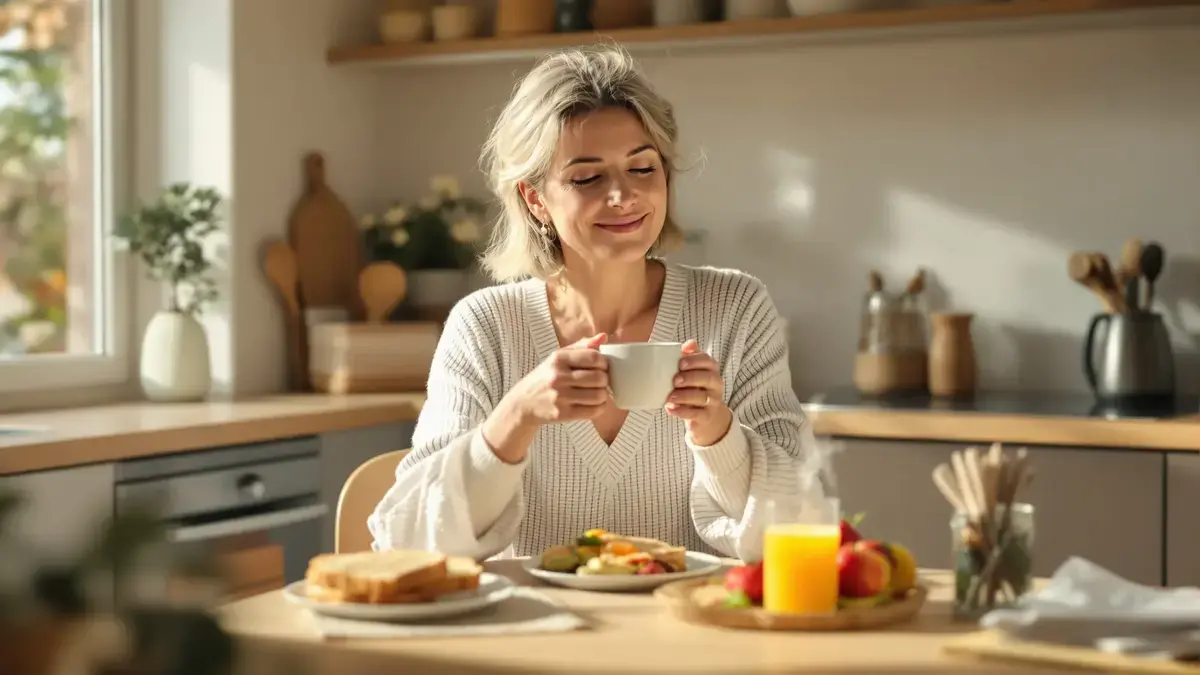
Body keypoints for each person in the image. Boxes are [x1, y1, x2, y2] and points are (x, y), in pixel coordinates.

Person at [368, 46, 824, 563]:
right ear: (535, 198)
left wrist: (718, 432)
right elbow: (404, 542)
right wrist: (516, 416)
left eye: (643, 168)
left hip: (696, 633)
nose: (624, 196)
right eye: (588, 177)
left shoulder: (735, 308)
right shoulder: (485, 326)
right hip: (535, 635)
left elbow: (801, 526)